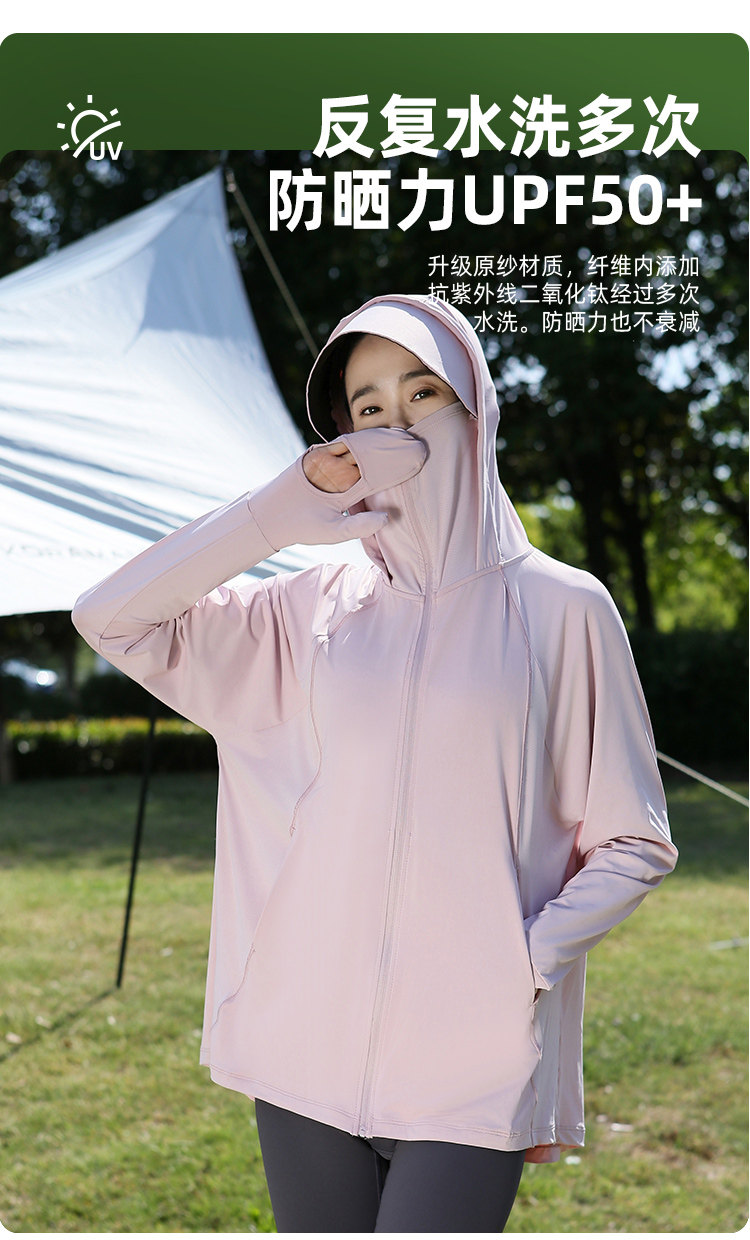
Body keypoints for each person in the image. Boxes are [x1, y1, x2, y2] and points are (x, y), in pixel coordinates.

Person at [72, 294, 678, 1233]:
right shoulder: (307, 607)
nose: (397, 423)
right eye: (368, 407)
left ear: (475, 409)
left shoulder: (566, 609)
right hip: (303, 1038)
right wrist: (274, 516)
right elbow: (110, 618)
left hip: (471, 1053)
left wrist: (518, 961)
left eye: (423, 392)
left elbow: (635, 840)